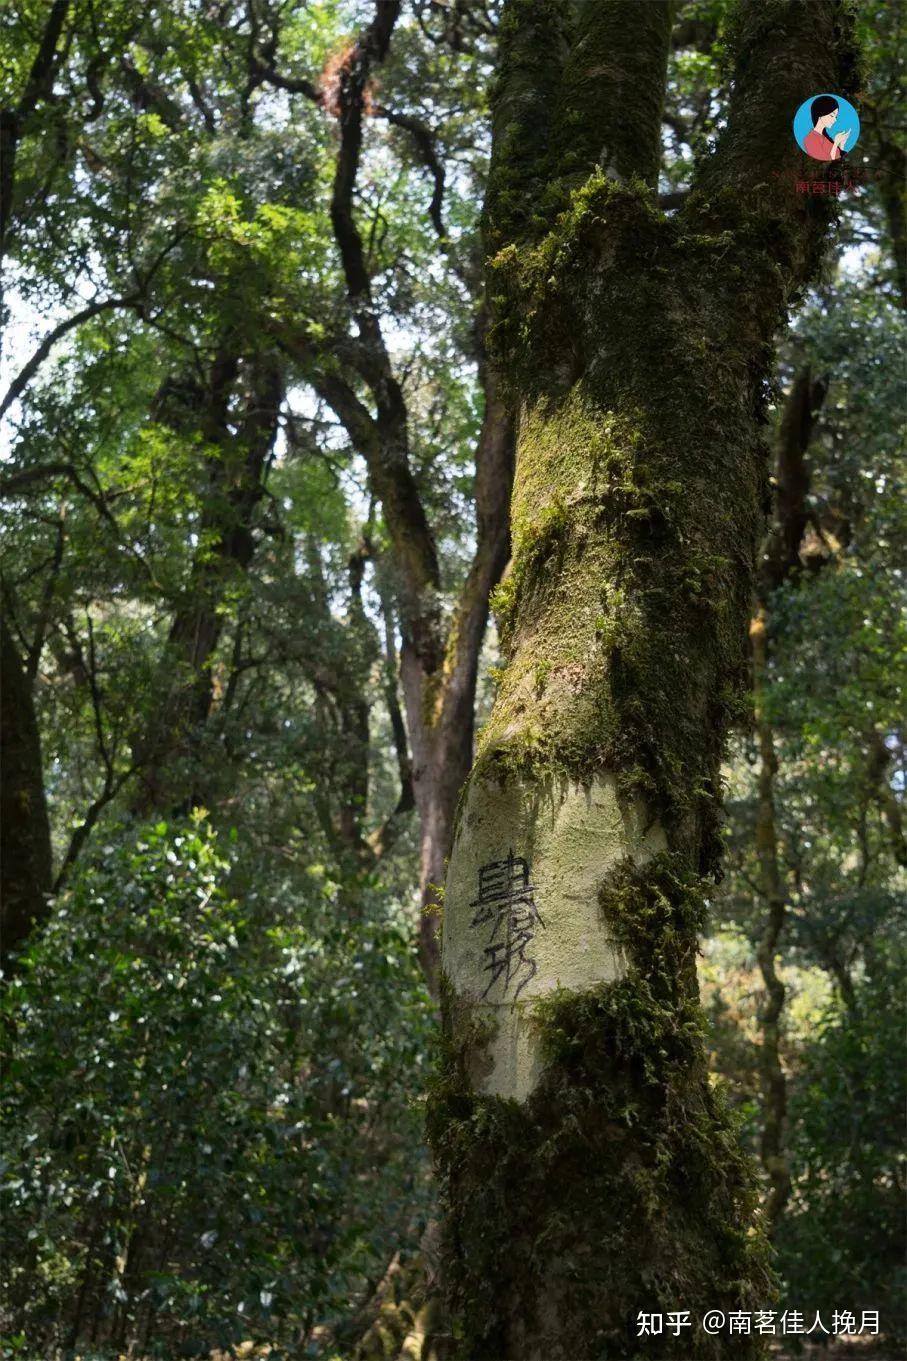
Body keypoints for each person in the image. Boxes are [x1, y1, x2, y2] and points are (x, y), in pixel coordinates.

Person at [803, 95, 851, 161]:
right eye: (832, 115)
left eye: (836, 117)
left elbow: (838, 158)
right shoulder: (810, 139)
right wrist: (836, 142)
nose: (835, 120)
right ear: (820, 114)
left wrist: (841, 143)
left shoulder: (825, 137)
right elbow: (826, 160)